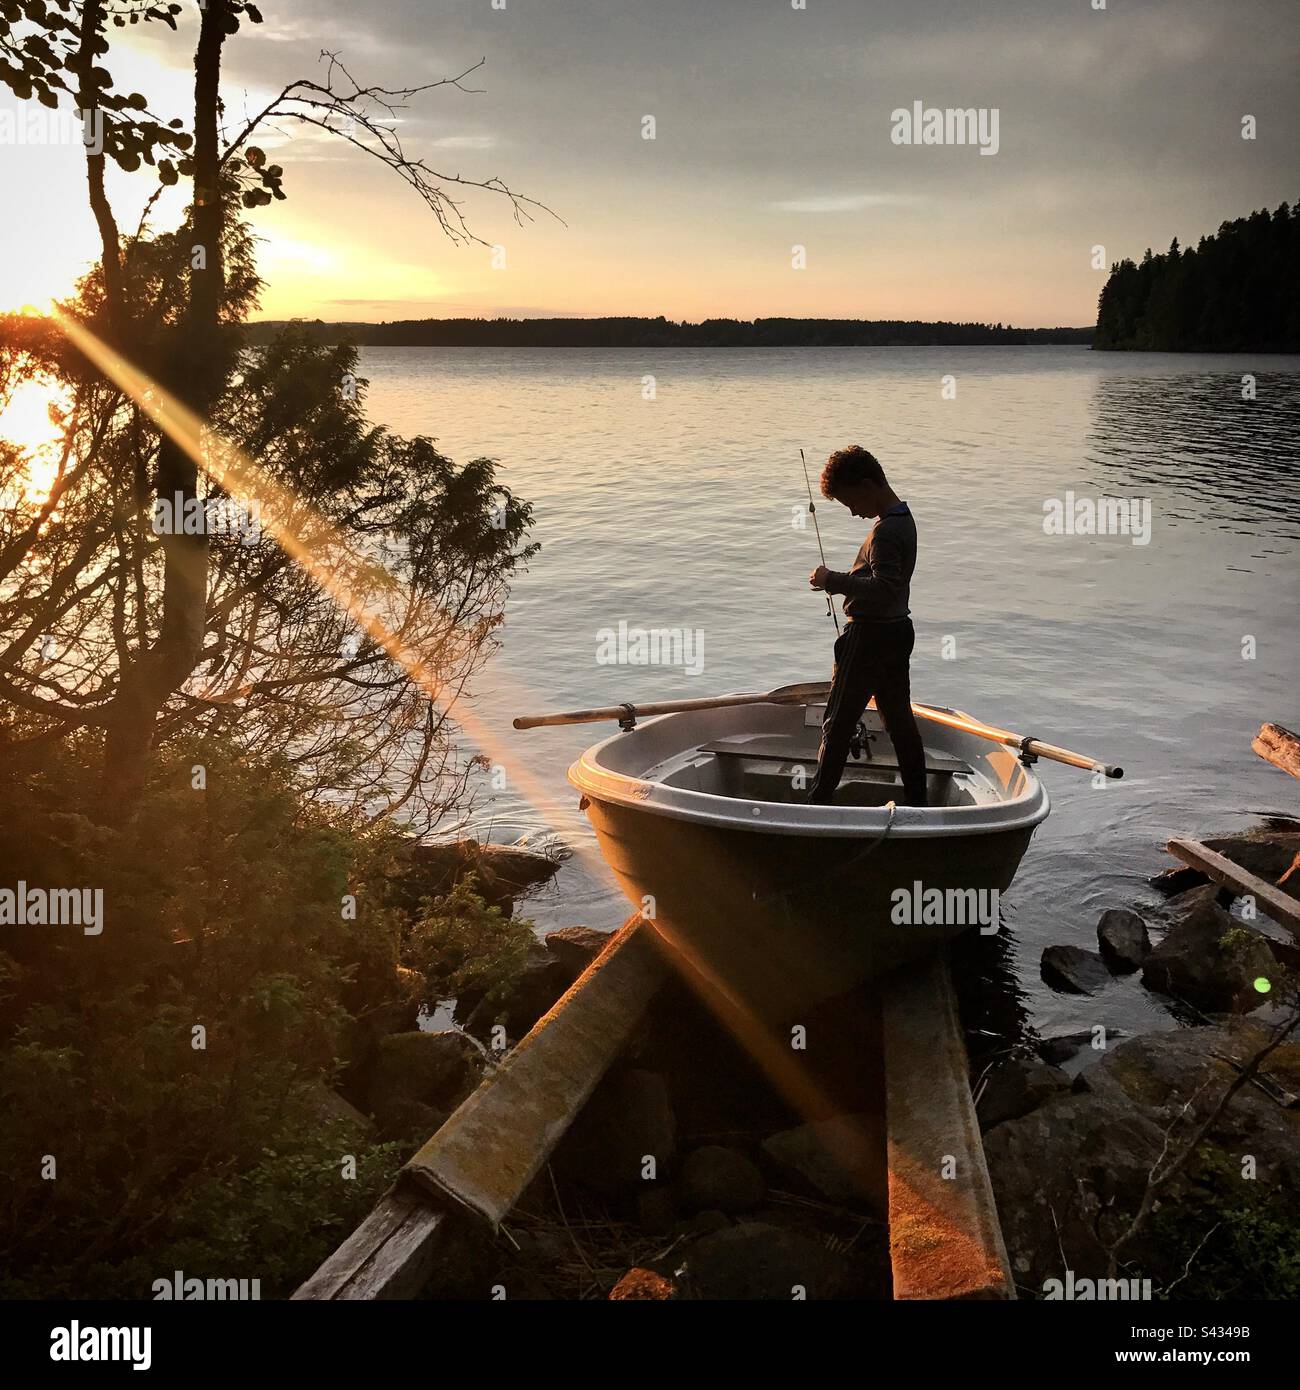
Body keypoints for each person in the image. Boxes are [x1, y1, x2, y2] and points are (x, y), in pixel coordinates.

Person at [807, 445, 928, 807]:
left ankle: (816, 806)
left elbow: (884, 587)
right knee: (899, 723)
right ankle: (918, 804)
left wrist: (833, 579)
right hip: (896, 632)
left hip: (868, 638)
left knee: (838, 724)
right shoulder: (904, 519)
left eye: (850, 502)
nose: (853, 512)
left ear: (867, 484)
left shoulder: (885, 533)